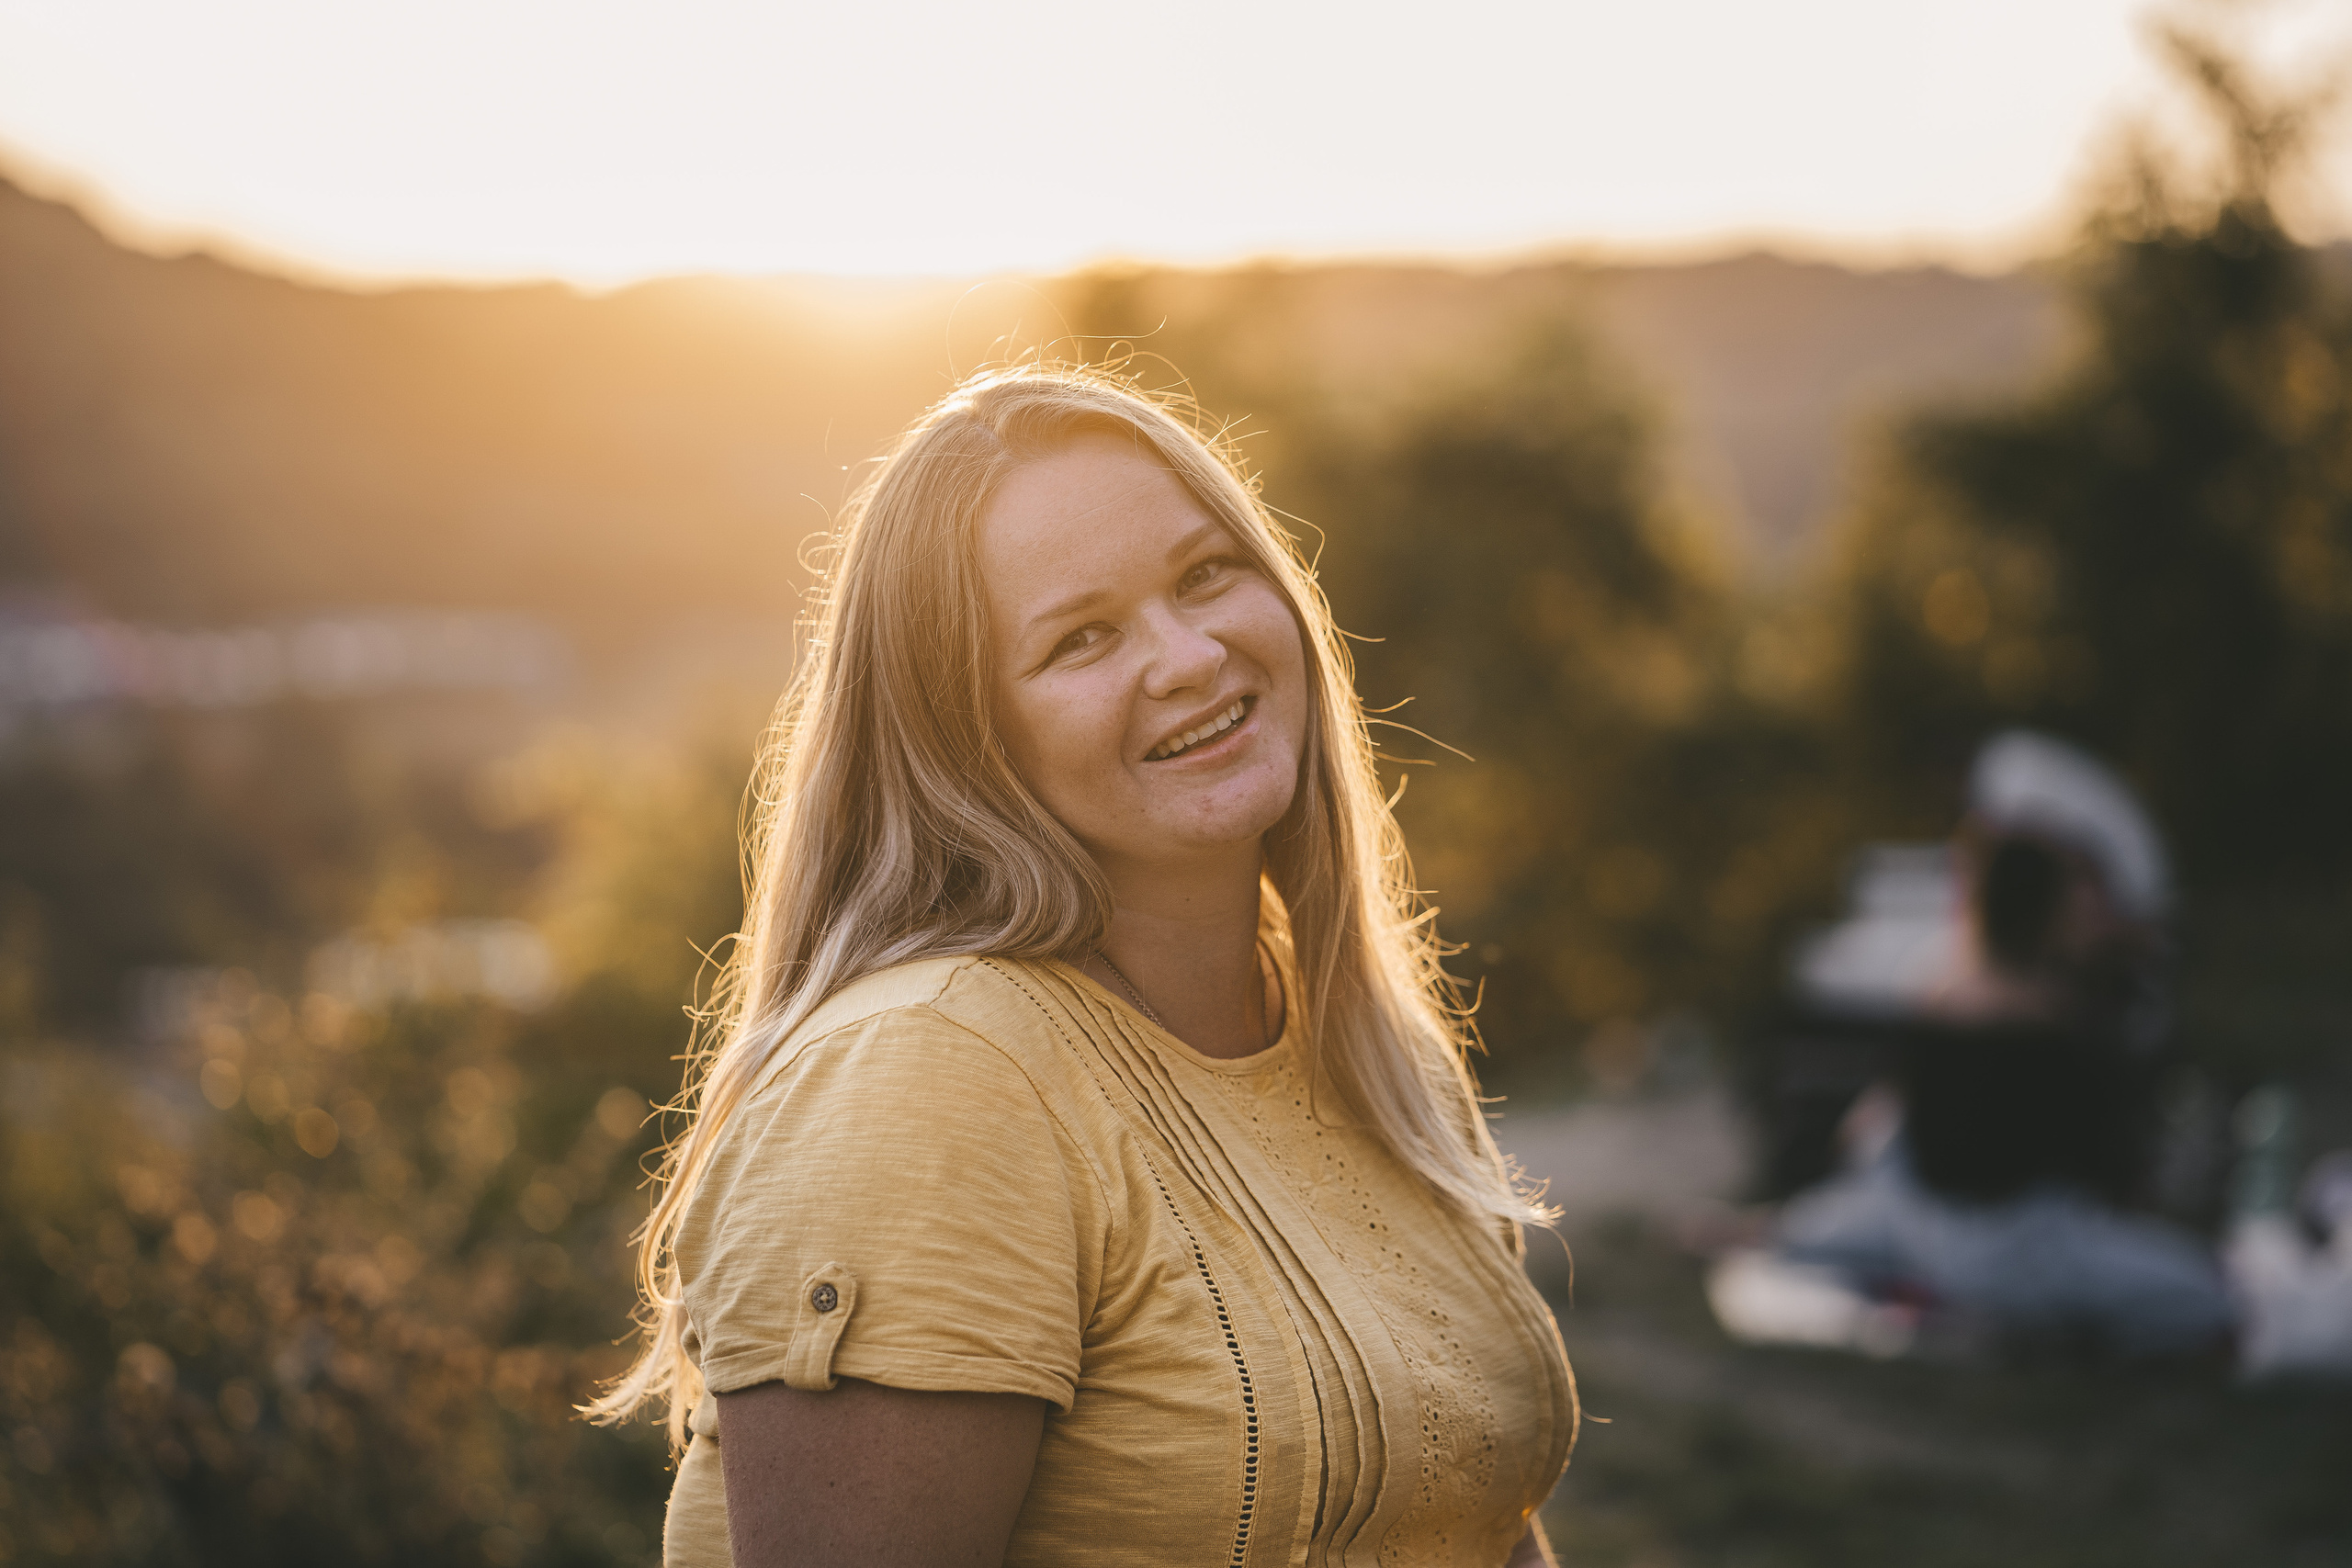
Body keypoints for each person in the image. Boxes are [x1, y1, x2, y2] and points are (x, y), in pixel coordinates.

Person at [590, 364, 1578, 1567]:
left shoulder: (1360, 1039)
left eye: (1208, 574)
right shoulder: (932, 1076)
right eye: (1083, 637)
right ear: (964, 740)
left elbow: (1473, 1526)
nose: (1190, 655)